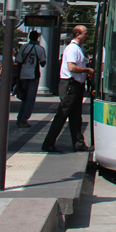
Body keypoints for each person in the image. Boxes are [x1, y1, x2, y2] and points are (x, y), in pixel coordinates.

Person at [42, 25, 94, 153]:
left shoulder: (78, 48)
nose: (86, 36)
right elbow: (71, 67)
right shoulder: (72, 49)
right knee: (62, 114)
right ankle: (48, 143)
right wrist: (87, 70)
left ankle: (78, 143)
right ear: (77, 34)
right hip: (70, 85)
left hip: (76, 85)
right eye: (85, 34)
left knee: (76, 116)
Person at [15, 30, 47, 128]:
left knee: (24, 97)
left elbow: (18, 61)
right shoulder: (40, 49)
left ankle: (20, 118)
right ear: (37, 38)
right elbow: (43, 63)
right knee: (30, 98)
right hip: (33, 75)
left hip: (23, 75)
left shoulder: (23, 48)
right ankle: (24, 119)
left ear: (29, 37)